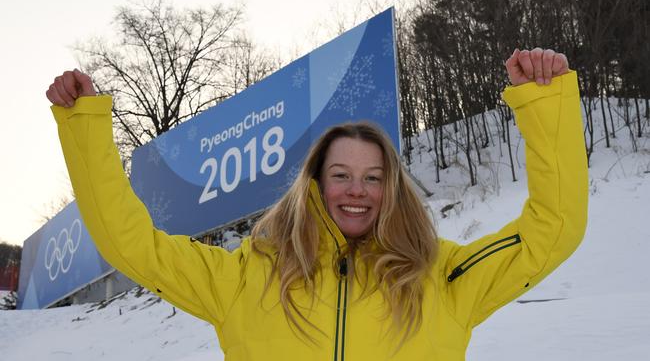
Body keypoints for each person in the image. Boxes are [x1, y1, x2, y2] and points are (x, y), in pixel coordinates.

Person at [46, 47, 587, 360]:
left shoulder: (442, 278)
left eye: (374, 177)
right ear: (313, 186)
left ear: (392, 189)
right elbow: (130, 243)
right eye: (341, 175)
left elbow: (554, 227)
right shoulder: (243, 278)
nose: (357, 190)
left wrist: (542, 103)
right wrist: (86, 127)